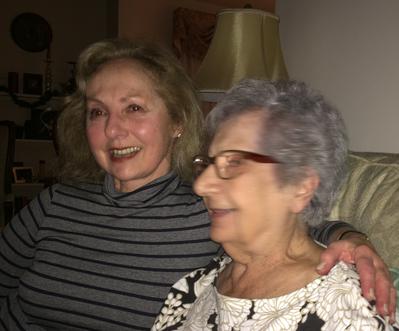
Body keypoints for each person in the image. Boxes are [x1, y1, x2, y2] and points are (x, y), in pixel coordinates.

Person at [0, 39, 395, 330]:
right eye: (96, 112)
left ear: (177, 123)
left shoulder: (207, 214)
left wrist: (353, 240)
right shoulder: (55, 203)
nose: (112, 129)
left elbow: (289, 229)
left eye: (133, 108)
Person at [152, 79, 399, 331]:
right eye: (207, 164)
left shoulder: (349, 312)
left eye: (234, 162)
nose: (201, 185)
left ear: (300, 186)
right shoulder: (192, 288)